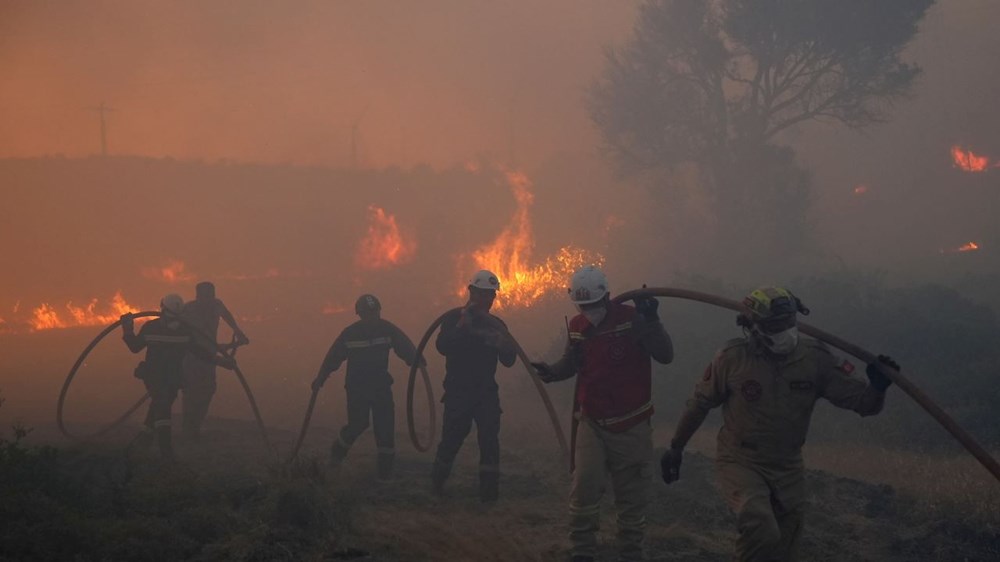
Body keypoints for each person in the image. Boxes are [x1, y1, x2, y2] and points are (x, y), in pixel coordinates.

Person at [661, 286, 898, 562]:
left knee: (785, 548)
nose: (785, 331)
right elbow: (699, 404)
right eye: (775, 325)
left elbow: (864, 405)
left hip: (788, 465)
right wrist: (676, 447)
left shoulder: (816, 358)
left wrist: (878, 387)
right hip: (740, 459)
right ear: (754, 326)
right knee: (760, 527)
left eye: (789, 322)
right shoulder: (732, 358)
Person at [531, 266, 674, 562]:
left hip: (631, 424)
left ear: (607, 296)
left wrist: (652, 321)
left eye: (594, 304)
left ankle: (631, 554)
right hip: (592, 423)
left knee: (631, 500)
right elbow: (571, 362)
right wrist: (552, 372)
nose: (589, 311)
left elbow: (665, 355)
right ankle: (582, 552)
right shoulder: (577, 326)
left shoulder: (633, 319)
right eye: (583, 306)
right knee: (583, 489)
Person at [311, 294, 421, 480]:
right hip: (357, 388)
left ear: (379, 311)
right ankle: (337, 454)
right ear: (360, 315)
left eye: (375, 313)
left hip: (381, 387)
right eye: (368, 314)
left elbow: (404, 345)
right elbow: (333, 357)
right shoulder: (350, 334)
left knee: (385, 429)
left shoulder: (387, 329)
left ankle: (384, 475)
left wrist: (416, 360)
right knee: (357, 424)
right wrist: (321, 378)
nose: (372, 318)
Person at [431, 269, 516, 503]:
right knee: (452, 439)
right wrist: (461, 326)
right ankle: (436, 485)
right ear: (471, 292)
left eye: (491, 295)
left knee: (489, 442)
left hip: (486, 393)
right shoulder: (453, 319)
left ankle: (489, 497)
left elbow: (509, 360)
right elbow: (442, 346)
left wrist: (502, 345)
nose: (487, 299)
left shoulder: (497, 325)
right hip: (458, 392)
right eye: (482, 294)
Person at [122, 294, 234, 461]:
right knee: (163, 407)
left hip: (160, 377)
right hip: (168, 378)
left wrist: (128, 329)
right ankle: (166, 452)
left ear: (162, 308)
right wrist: (222, 361)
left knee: (159, 406)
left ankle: (146, 440)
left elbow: (134, 346)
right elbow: (200, 352)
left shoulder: (152, 327)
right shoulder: (185, 331)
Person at [180, 281, 249, 441]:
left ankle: (195, 428)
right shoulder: (188, 310)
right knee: (191, 393)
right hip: (192, 358)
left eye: (210, 296)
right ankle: (187, 430)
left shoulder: (217, 305)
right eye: (204, 296)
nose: (208, 299)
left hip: (209, 358)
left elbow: (226, 315)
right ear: (197, 296)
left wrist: (237, 331)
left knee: (208, 390)